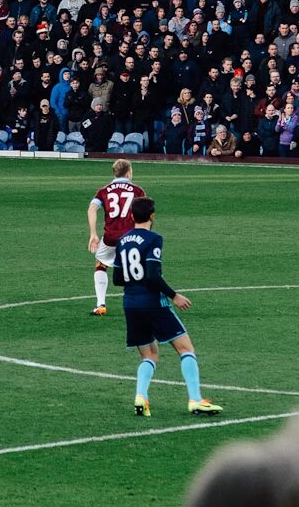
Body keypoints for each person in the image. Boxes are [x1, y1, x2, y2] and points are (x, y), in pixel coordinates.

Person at [116, 196, 222, 417]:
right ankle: (195, 399)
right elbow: (153, 275)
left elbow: (117, 277)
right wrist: (174, 296)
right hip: (153, 303)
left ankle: (141, 397)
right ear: (152, 216)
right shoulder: (154, 239)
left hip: (130, 304)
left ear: (132, 216)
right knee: (185, 348)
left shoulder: (122, 240)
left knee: (150, 355)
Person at [86, 159, 145, 317]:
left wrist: (93, 234)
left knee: (101, 264)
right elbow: (144, 214)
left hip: (110, 237)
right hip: (131, 237)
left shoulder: (104, 191)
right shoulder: (138, 191)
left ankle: (101, 304)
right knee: (137, 269)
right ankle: (141, 304)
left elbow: (91, 210)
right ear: (128, 172)